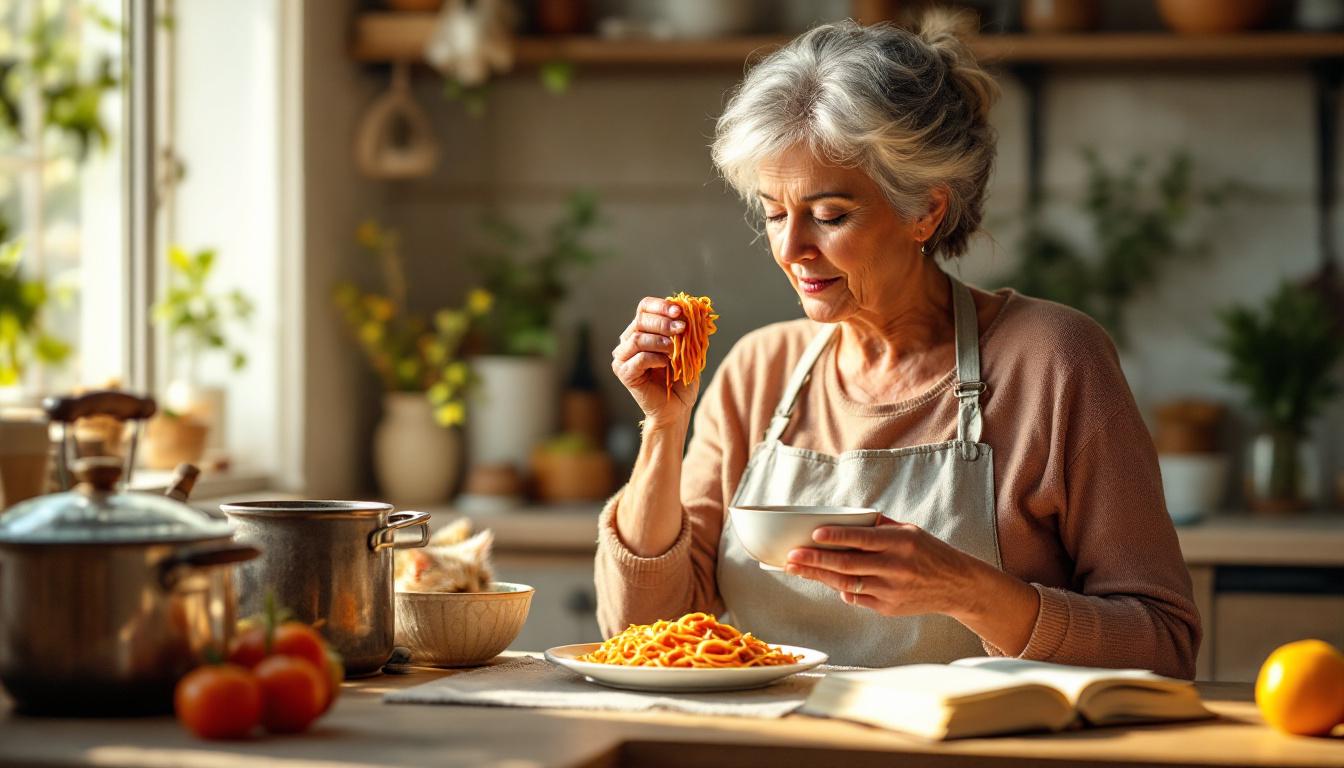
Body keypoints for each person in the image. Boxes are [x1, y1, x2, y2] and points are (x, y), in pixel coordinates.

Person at [597, 14, 1199, 677]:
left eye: (830, 216)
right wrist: (664, 426)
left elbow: (1163, 644)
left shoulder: (1054, 360)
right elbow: (637, 634)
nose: (791, 248)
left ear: (925, 211)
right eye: (773, 213)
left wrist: (969, 591)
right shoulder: (757, 370)